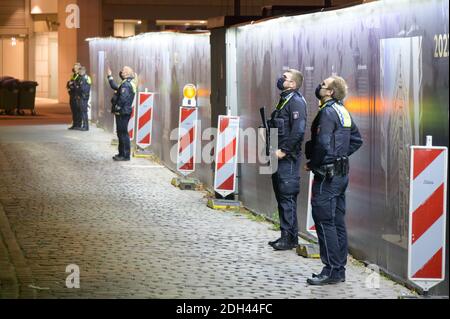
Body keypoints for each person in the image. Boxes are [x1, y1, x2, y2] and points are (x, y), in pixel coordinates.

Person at [304, 76, 363, 285]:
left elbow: (322, 143)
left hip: (327, 176)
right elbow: (357, 139)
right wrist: (340, 155)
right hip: (341, 174)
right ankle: (339, 270)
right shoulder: (342, 110)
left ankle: (330, 270)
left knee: (324, 220)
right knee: (337, 222)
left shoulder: (328, 112)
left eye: (323, 84)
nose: (319, 86)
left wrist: (313, 163)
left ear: (330, 92)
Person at [268, 69, 307, 250]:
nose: (281, 79)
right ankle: (287, 236)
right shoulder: (285, 100)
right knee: (282, 196)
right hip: (278, 157)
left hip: (288, 158)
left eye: (285, 78)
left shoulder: (296, 102)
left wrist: (284, 150)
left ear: (293, 84)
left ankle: (289, 238)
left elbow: (298, 130)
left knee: (287, 195)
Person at [107, 66, 136, 161]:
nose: (121, 72)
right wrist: (110, 77)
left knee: (123, 133)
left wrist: (117, 107)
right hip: (124, 111)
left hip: (123, 111)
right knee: (121, 133)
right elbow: (116, 87)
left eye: (123, 71)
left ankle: (125, 155)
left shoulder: (126, 84)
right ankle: (121, 153)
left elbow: (123, 97)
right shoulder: (125, 83)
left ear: (127, 73)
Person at [76, 66, 92, 131]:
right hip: (83, 96)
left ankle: (86, 126)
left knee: (84, 112)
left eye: (80, 71)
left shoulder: (85, 78)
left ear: (83, 71)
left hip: (84, 96)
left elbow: (83, 88)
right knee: (83, 111)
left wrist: (78, 88)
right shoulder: (83, 77)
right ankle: (84, 125)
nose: (79, 72)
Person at [67, 63, 81, 129]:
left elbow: (77, 86)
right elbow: (69, 83)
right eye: (74, 68)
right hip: (72, 95)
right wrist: (69, 85)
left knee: (77, 111)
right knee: (73, 110)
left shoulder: (80, 76)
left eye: (76, 68)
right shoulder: (74, 75)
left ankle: (78, 124)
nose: (74, 69)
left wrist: (72, 85)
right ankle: (74, 124)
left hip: (77, 96)